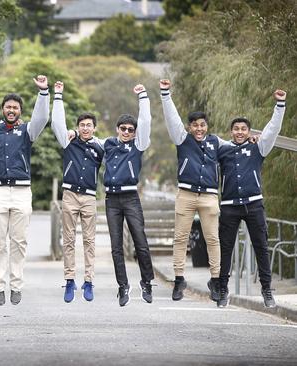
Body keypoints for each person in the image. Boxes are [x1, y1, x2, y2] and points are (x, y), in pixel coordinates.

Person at [0, 75, 50, 306]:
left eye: (15, 107)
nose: (11, 110)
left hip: (21, 191)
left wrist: (43, 92)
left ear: (20, 111)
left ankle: (16, 285)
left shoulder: (28, 132)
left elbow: (41, 118)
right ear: (3, 110)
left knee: (19, 241)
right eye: (8, 107)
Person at [217, 89, 286, 308]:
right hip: (229, 207)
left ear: (249, 132)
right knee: (225, 249)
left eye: (243, 129)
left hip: (254, 204)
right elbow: (203, 142)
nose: (239, 132)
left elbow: (272, 130)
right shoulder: (222, 149)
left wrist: (280, 105)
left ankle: (267, 289)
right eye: (236, 129)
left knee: (261, 247)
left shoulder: (258, 147)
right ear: (230, 132)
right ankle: (222, 289)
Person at [160, 79, 223, 302]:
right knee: (180, 238)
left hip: (209, 196)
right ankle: (179, 280)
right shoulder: (182, 139)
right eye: (195, 125)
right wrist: (165, 94)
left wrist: (252, 140)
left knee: (213, 239)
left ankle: (215, 280)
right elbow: (172, 118)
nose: (199, 128)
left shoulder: (217, 143)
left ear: (207, 126)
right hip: (186, 194)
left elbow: (238, 145)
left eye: (202, 125)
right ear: (189, 127)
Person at [50, 82, 104, 303]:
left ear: (94, 127)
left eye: (89, 125)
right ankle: (70, 280)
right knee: (69, 239)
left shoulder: (100, 146)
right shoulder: (69, 141)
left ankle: (89, 281)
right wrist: (58, 95)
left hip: (89, 197)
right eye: (82, 125)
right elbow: (56, 123)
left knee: (90, 241)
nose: (85, 128)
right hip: (70, 195)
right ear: (78, 126)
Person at [102, 84, 154, 307]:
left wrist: (142, 96)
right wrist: (75, 132)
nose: (126, 132)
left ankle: (147, 282)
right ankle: (123, 286)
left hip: (131, 198)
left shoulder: (139, 145)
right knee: (116, 247)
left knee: (140, 242)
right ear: (117, 129)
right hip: (111, 200)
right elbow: (87, 138)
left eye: (130, 130)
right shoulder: (108, 145)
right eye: (122, 129)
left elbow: (146, 122)